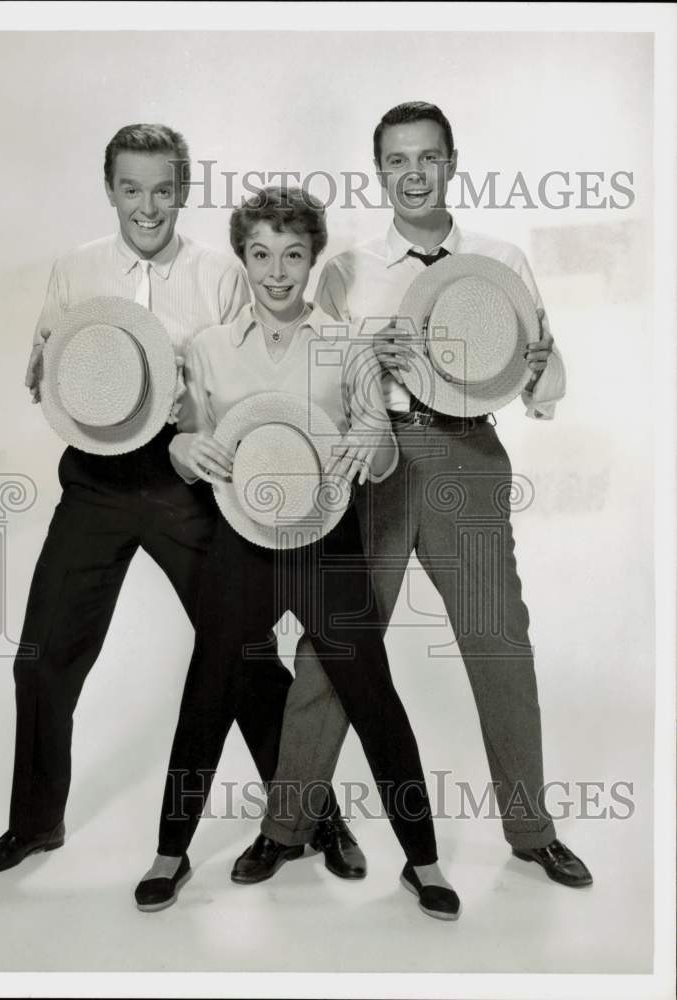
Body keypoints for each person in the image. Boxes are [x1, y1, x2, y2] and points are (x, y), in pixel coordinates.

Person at [0, 126, 358, 878]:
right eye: (131, 189)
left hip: (191, 481)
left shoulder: (220, 274)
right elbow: (47, 371)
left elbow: (244, 378)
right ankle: (34, 824)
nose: (147, 206)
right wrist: (49, 365)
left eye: (163, 189)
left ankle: (313, 816)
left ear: (183, 190)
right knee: (42, 659)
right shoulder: (77, 269)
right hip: (94, 483)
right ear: (108, 188)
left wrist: (193, 420)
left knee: (240, 652)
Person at [239, 101, 593, 889]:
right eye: (396, 161)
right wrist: (374, 361)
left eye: (426, 158)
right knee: (336, 644)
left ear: (452, 162)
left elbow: (548, 381)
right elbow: (304, 371)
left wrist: (536, 367)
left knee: (499, 640)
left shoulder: (498, 262)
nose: (412, 174)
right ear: (379, 172)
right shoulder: (347, 269)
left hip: (468, 456)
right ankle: (287, 825)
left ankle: (532, 831)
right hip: (376, 460)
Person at [134, 186, 461, 921]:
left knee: (372, 695)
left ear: (313, 258)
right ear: (243, 258)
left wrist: (371, 445)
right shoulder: (209, 347)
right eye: (259, 255)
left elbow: (378, 451)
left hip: (328, 543)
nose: (276, 272)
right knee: (208, 691)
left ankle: (426, 862)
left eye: (292, 255)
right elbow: (184, 443)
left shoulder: (346, 343)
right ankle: (169, 852)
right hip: (241, 546)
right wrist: (185, 447)